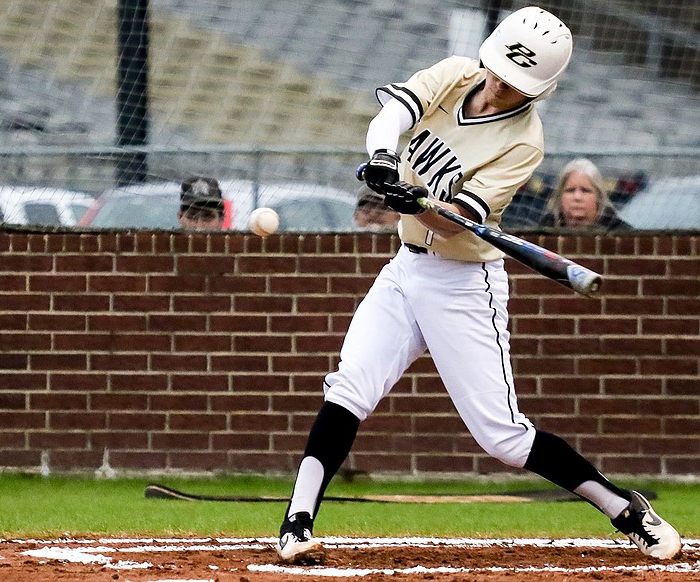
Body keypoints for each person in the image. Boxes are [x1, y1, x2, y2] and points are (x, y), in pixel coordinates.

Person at [275, 6, 681, 565]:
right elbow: (391, 116)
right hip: (405, 269)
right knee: (350, 387)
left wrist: (419, 202)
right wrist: (383, 161)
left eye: (515, 84)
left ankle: (622, 509)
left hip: (464, 283)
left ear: (538, 89)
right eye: (498, 72)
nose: (498, 87)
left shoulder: (525, 141)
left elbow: (453, 218)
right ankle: (297, 523)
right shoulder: (456, 73)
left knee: (504, 438)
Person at [540, 158, 630, 229]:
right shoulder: (542, 231)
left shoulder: (621, 232)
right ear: (560, 197)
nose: (577, 197)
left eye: (585, 190)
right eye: (570, 190)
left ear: (598, 197)